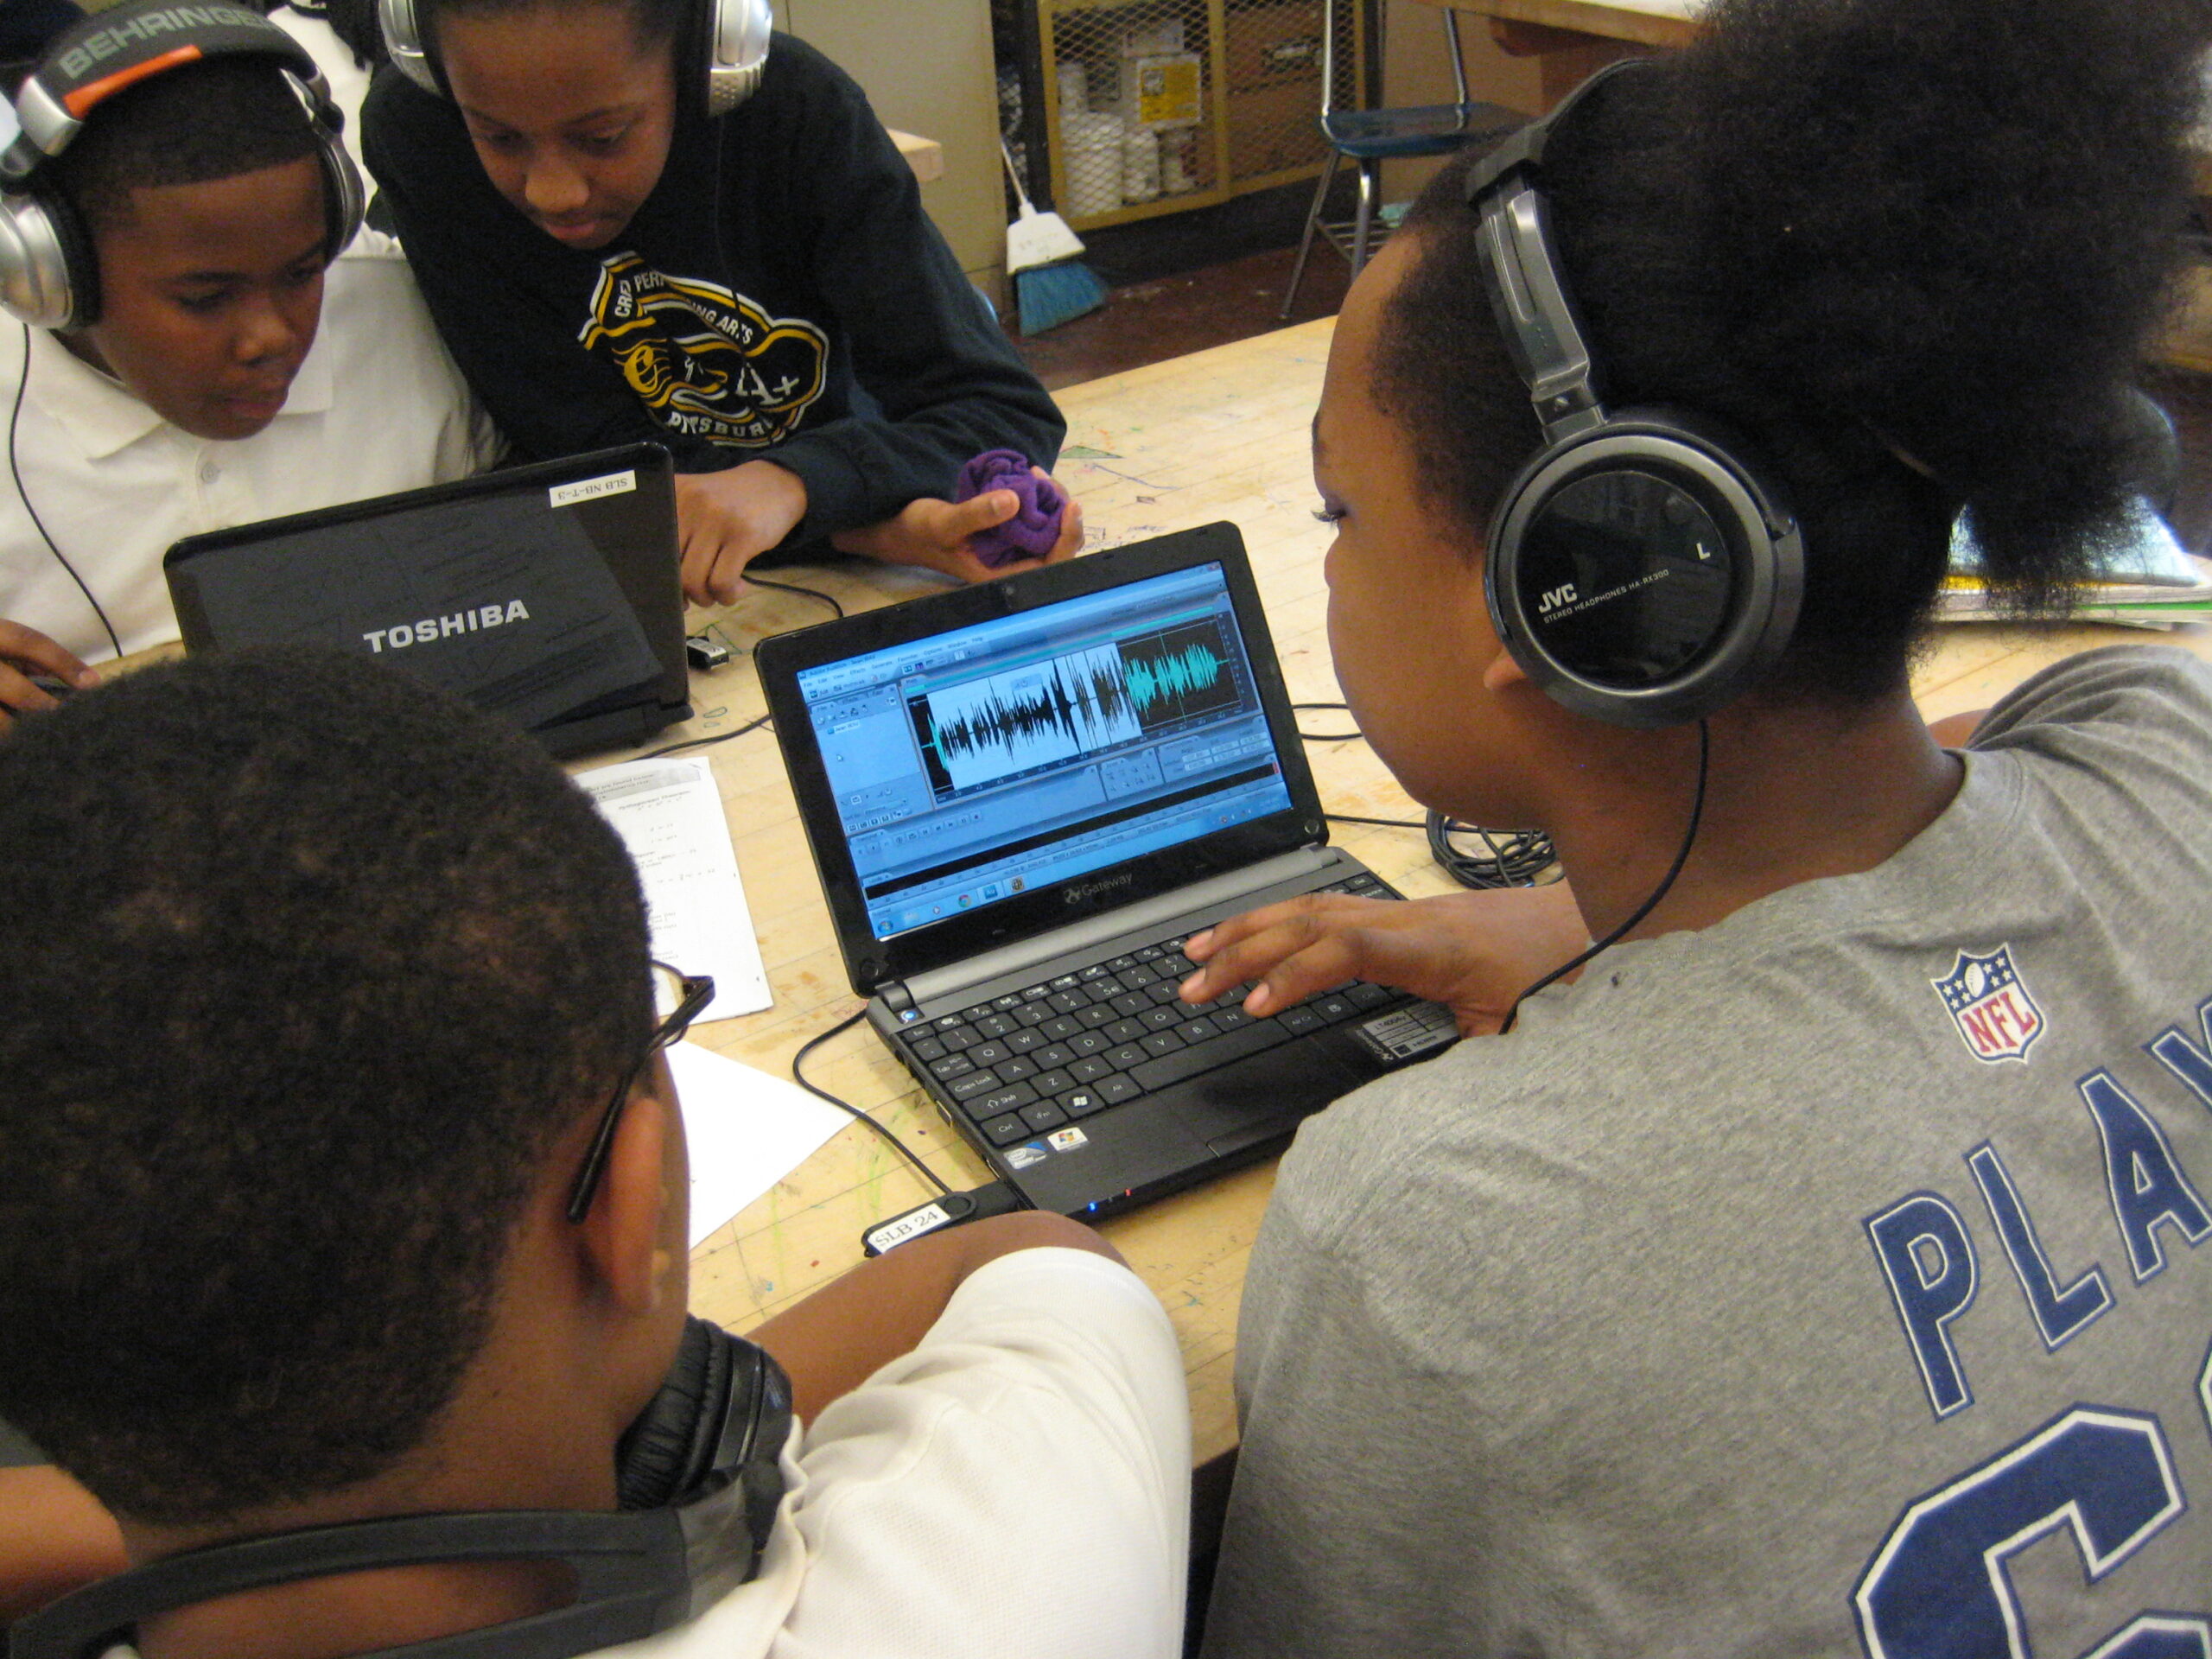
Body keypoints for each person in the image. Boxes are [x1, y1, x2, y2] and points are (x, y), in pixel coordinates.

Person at [1175, 0, 2212, 1649]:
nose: (1327, 561)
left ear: (1579, 579)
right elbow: (1942, 769)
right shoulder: (2174, 759)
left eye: (1340, 511)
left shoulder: (1438, 1224)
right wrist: (1571, 915)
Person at [0, 646, 1192, 1655]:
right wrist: (675, 1414)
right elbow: (1025, 1260)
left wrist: (231, 1500)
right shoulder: (991, 1593)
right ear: (627, 1211)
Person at [362, 0, 1083, 607]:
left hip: (822, 496)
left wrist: (795, 484)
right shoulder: (420, 135)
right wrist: (861, 524)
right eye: (497, 136)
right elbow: (594, 461)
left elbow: (1003, 412)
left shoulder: (803, 115)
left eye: (604, 136)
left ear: (708, 62)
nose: (555, 191)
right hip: (721, 562)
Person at [0, 0, 499, 722]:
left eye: (301, 273)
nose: (269, 336)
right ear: (56, 276)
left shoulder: (411, 319)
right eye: (205, 298)